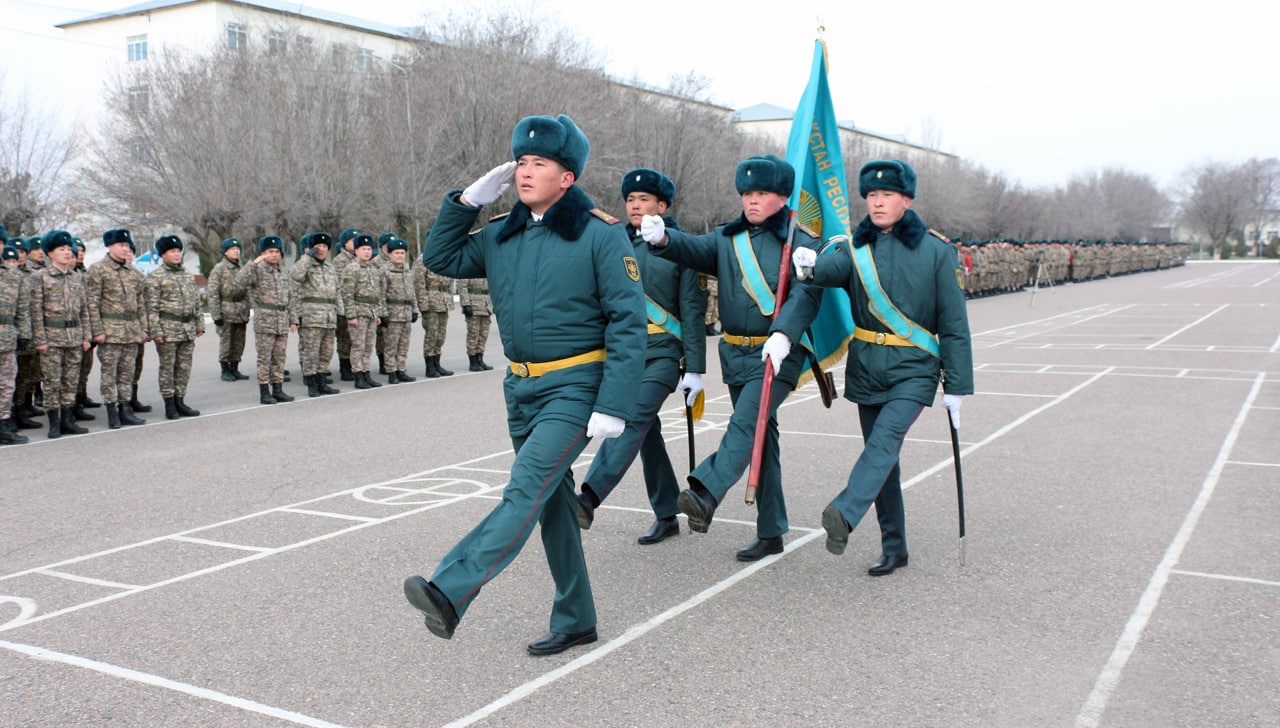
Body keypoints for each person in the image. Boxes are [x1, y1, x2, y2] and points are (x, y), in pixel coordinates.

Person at [404, 114, 645, 656]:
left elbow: (629, 324)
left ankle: (450, 587)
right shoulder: (500, 234)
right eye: (522, 163)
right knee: (552, 502)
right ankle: (577, 617)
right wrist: (464, 203)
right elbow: (438, 259)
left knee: (523, 488)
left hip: (576, 387)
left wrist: (614, 404)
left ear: (568, 177)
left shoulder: (600, 235)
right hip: (521, 389)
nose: (526, 172)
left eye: (541, 163)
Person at [773, 159, 974, 575]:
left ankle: (844, 513)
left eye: (887, 195)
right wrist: (809, 264)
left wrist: (956, 385)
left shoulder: (937, 251)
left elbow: (954, 325)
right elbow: (829, 272)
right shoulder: (853, 249)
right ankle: (894, 547)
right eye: (872, 196)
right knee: (882, 460)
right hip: (868, 367)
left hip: (914, 368)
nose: (878, 203)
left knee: (883, 443)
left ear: (906, 200)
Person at [640, 154, 822, 561]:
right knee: (761, 436)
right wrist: (663, 239)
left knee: (744, 425)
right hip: (735, 353)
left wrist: (785, 332)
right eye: (747, 193)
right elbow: (694, 248)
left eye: (762, 193)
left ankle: (705, 491)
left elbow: (808, 294)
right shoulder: (728, 237)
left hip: (778, 353)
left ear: (782, 196)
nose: (752, 201)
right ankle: (772, 529)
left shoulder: (801, 241)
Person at [575, 168, 708, 545]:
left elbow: (693, 309)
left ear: (662, 206)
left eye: (644, 200)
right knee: (647, 435)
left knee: (630, 418)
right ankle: (667, 514)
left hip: (665, 353)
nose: (635, 205)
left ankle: (589, 496)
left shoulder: (682, 248)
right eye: (631, 200)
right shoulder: (616, 243)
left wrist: (695, 368)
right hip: (625, 354)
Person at [30, 230, 92, 438]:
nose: (67, 252)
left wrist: (86, 337)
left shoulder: (76, 278)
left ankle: (68, 419)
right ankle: (54, 422)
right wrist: (40, 339)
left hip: (74, 336)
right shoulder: (40, 277)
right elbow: (35, 311)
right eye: (61, 249)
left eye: (68, 249)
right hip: (52, 337)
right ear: (50, 253)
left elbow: (84, 310)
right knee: (52, 382)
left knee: (71, 380)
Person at [85, 228, 148, 428]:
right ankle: (112, 411)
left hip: (131, 330)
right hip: (110, 331)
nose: (124, 248)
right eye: (121, 245)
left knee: (127, 373)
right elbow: (92, 303)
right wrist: (97, 331)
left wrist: (143, 328)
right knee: (109, 374)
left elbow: (141, 304)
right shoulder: (98, 270)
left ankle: (125, 408)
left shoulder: (133, 274)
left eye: (126, 245)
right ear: (109, 246)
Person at [231, 235, 296, 405]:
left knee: (279, 358)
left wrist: (293, 319)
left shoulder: (283, 273)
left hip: (281, 320)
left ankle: (278, 389)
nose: (274, 255)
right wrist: (254, 263)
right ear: (263, 253)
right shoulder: (257, 271)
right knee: (264, 359)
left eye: (277, 251)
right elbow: (238, 282)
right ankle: (264, 392)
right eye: (270, 252)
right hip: (265, 321)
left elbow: (290, 298)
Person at [144, 235, 204, 419]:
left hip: (187, 328)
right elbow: (151, 308)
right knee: (168, 368)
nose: (177, 254)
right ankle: (169, 404)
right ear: (163, 254)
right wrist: (156, 331)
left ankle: (180, 400)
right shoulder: (155, 278)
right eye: (172, 251)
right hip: (167, 329)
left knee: (184, 367)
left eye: (178, 251)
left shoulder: (187, 275)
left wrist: (199, 323)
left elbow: (196, 302)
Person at [290, 232, 342, 397]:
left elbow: (337, 291)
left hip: (329, 316)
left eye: (325, 246)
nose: (321, 249)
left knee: (326, 351)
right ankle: (311, 383)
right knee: (311, 352)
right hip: (312, 316)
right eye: (318, 246)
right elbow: (295, 275)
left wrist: (341, 312)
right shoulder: (306, 265)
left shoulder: (330, 268)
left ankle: (322, 381)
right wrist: (306, 257)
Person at [340, 233, 385, 389]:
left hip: (371, 312)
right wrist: (351, 315)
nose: (367, 252)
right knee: (358, 345)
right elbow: (347, 294)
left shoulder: (373, 269)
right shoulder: (351, 269)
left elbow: (377, 293)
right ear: (356, 251)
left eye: (369, 249)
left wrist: (377, 313)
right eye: (363, 249)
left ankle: (366, 373)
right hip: (358, 312)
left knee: (368, 345)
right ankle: (358, 375)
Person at [0, 243, 31, 444]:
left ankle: (3, 425)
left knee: (6, 384)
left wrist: (24, 334)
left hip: (7, 337)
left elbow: (22, 308)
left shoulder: (13, 275)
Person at [208, 238, 251, 382]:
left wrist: (248, 307)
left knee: (239, 342)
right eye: (233, 249)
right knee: (227, 342)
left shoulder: (241, 268)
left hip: (241, 311)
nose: (236, 251)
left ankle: (235, 368)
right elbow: (213, 293)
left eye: (238, 248)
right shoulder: (219, 269)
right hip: (226, 311)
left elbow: (248, 289)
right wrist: (216, 315)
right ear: (225, 252)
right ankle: (225, 369)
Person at [379, 233, 417, 383]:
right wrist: (383, 314)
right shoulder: (384, 271)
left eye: (402, 253)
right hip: (392, 314)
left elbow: (411, 292)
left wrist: (414, 310)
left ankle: (401, 369)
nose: (400, 256)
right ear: (390, 254)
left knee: (403, 344)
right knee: (390, 345)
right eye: (397, 253)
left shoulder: (407, 271)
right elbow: (380, 295)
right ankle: (391, 371)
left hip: (406, 313)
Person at [72, 238, 102, 419]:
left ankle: (81, 396)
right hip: (68, 331)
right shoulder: (71, 275)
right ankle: (73, 403)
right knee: (73, 369)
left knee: (86, 366)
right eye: (78, 251)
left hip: (87, 328)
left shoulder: (86, 273)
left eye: (83, 250)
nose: (80, 253)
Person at [412, 257, 455, 378]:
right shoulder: (423, 260)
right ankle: (430, 367)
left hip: (443, 301)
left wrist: (450, 299)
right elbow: (419, 284)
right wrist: (423, 304)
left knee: (441, 335)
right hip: (431, 302)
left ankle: (437, 364)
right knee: (431, 335)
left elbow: (450, 281)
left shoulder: (445, 257)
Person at [331, 228, 359, 381]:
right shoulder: (340, 261)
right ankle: (345, 368)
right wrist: (342, 309)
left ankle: (355, 366)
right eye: (352, 241)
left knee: (356, 339)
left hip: (358, 304)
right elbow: (339, 286)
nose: (355, 244)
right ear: (345, 243)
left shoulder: (358, 258)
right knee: (345, 338)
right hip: (344, 305)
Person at [458, 278, 494, 371]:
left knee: (483, 334)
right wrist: (466, 304)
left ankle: (480, 359)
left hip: (486, 305)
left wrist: (493, 304)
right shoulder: (468, 268)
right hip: (473, 305)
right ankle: (473, 361)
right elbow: (462, 286)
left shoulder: (485, 269)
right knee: (473, 334)